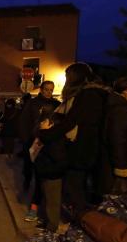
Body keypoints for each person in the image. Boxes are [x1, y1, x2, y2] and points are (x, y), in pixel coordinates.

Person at [38, 63, 108, 214]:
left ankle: (81, 222)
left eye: (67, 76)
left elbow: (70, 122)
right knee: (77, 187)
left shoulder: (87, 95)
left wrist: (44, 133)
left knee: (74, 188)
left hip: (81, 149)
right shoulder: (93, 94)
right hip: (87, 148)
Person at [17, 81, 59, 192]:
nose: (48, 92)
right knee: (29, 163)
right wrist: (25, 138)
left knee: (42, 166)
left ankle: (39, 188)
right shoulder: (32, 103)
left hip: (47, 140)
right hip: (32, 138)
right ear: (41, 89)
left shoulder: (56, 104)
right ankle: (27, 180)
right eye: (46, 89)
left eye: (51, 90)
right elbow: (24, 121)